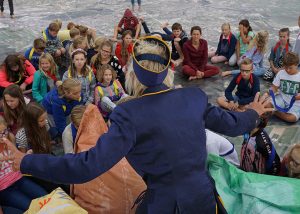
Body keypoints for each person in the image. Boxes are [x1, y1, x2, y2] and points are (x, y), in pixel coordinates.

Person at [1, 36, 272, 213]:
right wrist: (254, 113)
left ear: (133, 74)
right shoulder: (194, 96)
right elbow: (233, 124)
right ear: (168, 71)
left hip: (163, 206)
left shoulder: (128, 113)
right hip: (203, 200)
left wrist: (26, 162)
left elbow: (86, 166)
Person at [0, 116, 47, 212]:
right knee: (31, 208)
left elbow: (16, 161)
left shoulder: (10, 138)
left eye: (4, 131)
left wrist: (25, 156)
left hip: (19, 179)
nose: (3, 136)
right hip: (5, 189)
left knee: (46, 198)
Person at [268, 52, 300, 123]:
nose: (288, 70)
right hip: (282, 98)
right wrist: (270, 91)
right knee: (267, 105)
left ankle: (275, 112)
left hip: (296, 103)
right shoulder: (281, 73)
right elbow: (274, 87)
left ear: (297, 65)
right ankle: (276, 110)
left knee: (292, 118)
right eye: (286, 67)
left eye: (290, 68)